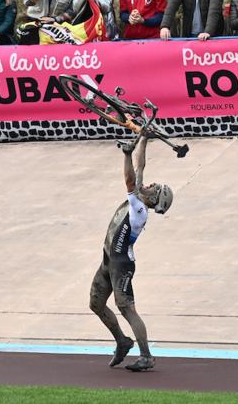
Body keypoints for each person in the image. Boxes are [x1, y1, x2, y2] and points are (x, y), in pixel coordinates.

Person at [89, 132, 173, 373]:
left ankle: (146, 356)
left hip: (121, 264)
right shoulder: (140, 198)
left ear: (154, 198)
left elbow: (129, 177)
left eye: (154, 187)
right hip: (109, 260)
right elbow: (140, 167)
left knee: (126, 308)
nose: (150, 184)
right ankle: (122, 342)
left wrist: (126, 153)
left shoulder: (138, 208)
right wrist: (144, 139)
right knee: (96, 304)